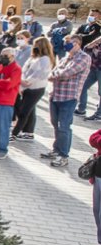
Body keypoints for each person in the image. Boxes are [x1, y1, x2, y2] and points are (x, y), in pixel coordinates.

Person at [41, 34, 92, 167]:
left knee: (64, 126)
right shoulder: (65, 57)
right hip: (55, 95)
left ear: (77, 44)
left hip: (69, 97)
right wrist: (55, 75)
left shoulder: (84, 58)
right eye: (66, 42)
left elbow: (67, 73)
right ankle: (56, 149)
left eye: (70, 42)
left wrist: (56, 75)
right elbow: (54, 72)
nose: (67, 45)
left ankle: (63, 155)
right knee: (55, 124)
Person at [12, 37, 54, 141]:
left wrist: (25, 82)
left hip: (36, 88)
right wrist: (22, 82)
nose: (34, 47)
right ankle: (28, 132)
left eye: (37, 45)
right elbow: (25, 70)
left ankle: (14, 133)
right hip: (26, 87)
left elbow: (39, 74)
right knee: (30, 111)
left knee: (24, 112)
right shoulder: (34, 57)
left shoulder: (45, 59)